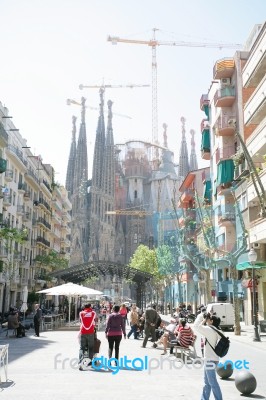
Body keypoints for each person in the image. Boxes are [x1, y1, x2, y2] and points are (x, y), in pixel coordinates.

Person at [194, 311, 223, 400]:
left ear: (211, 321)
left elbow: (196, 326)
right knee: (207, 383)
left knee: (212, 383)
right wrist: (206, 319)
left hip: (210, 360)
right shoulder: (217, 330)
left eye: (209, 320)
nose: (207, 321)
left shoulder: (209, 330)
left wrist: (202, 316)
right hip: (213, 359)